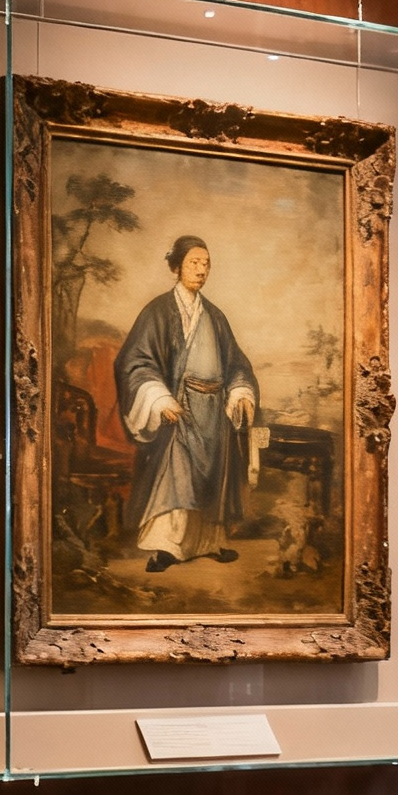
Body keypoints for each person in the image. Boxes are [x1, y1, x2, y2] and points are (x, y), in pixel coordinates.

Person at [113, 236, 258, 572]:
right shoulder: (158, 311)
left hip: (214, 411)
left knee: (210, 479)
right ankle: (167, 548)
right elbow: (135, 361)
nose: (201, 270)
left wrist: (239, 392)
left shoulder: (216, 317)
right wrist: (157, 396)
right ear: (176, 267)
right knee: (177, 476)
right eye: (194, 262)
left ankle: (209, 543)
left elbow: (236, 363)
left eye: (206, 263)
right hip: (178, 410)